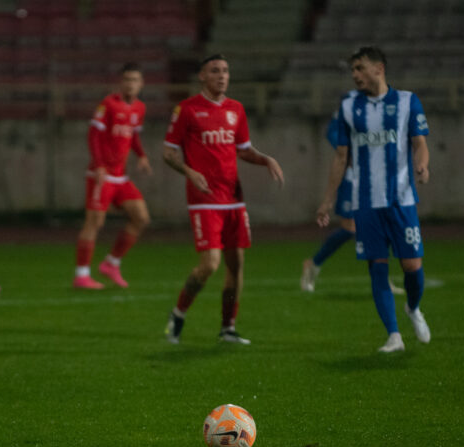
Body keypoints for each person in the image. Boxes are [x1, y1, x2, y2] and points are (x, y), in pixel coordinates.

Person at [162, 53, 284, 345]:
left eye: (226, 71)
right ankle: (178, 313)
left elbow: (243, 149)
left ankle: (228, 328)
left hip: (234, 199)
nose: (222, 76)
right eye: (215, 71)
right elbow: (168, 153)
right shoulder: (187, 109)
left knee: (236, 266)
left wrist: (266, 159)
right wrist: (190, 172)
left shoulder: (236, 109)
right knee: (210, 264)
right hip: (204, 199)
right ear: (202, 76)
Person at [316, 46, 431, 353]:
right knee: (377, 267)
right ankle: (394, 335)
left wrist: (422, 165)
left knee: (412, 267)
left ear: (379, 69)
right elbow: (341, 157)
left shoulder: (407, 101)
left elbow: (420, 143)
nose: (355, 75)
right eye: (353, 70)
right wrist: (328, 200)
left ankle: (413, 308)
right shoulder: (349, 106)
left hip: (401, 200)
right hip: (365, 203)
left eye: (360, 68)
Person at [301, 95, 405, 295]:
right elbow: (333, 133)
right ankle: (313, 264)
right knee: (350, 228)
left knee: (380, 227)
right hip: (352, 178)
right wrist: (349, 152)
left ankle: (382, 280)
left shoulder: (379, 107)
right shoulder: (349, 106)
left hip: (375, 178)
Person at [73, 62, 152, 289]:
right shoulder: (108, 104)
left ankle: (111, 263)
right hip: (102, 175)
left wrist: (141, 156)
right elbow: (94, 135)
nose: (130, 84)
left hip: (121, 177)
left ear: (141, 84)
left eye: (134, 80)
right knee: (94, 222)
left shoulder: (139, 108)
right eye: (127, 79)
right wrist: (99, 165)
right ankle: (81, 275)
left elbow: (133, 135)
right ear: (120, 82)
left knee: (141, 218)